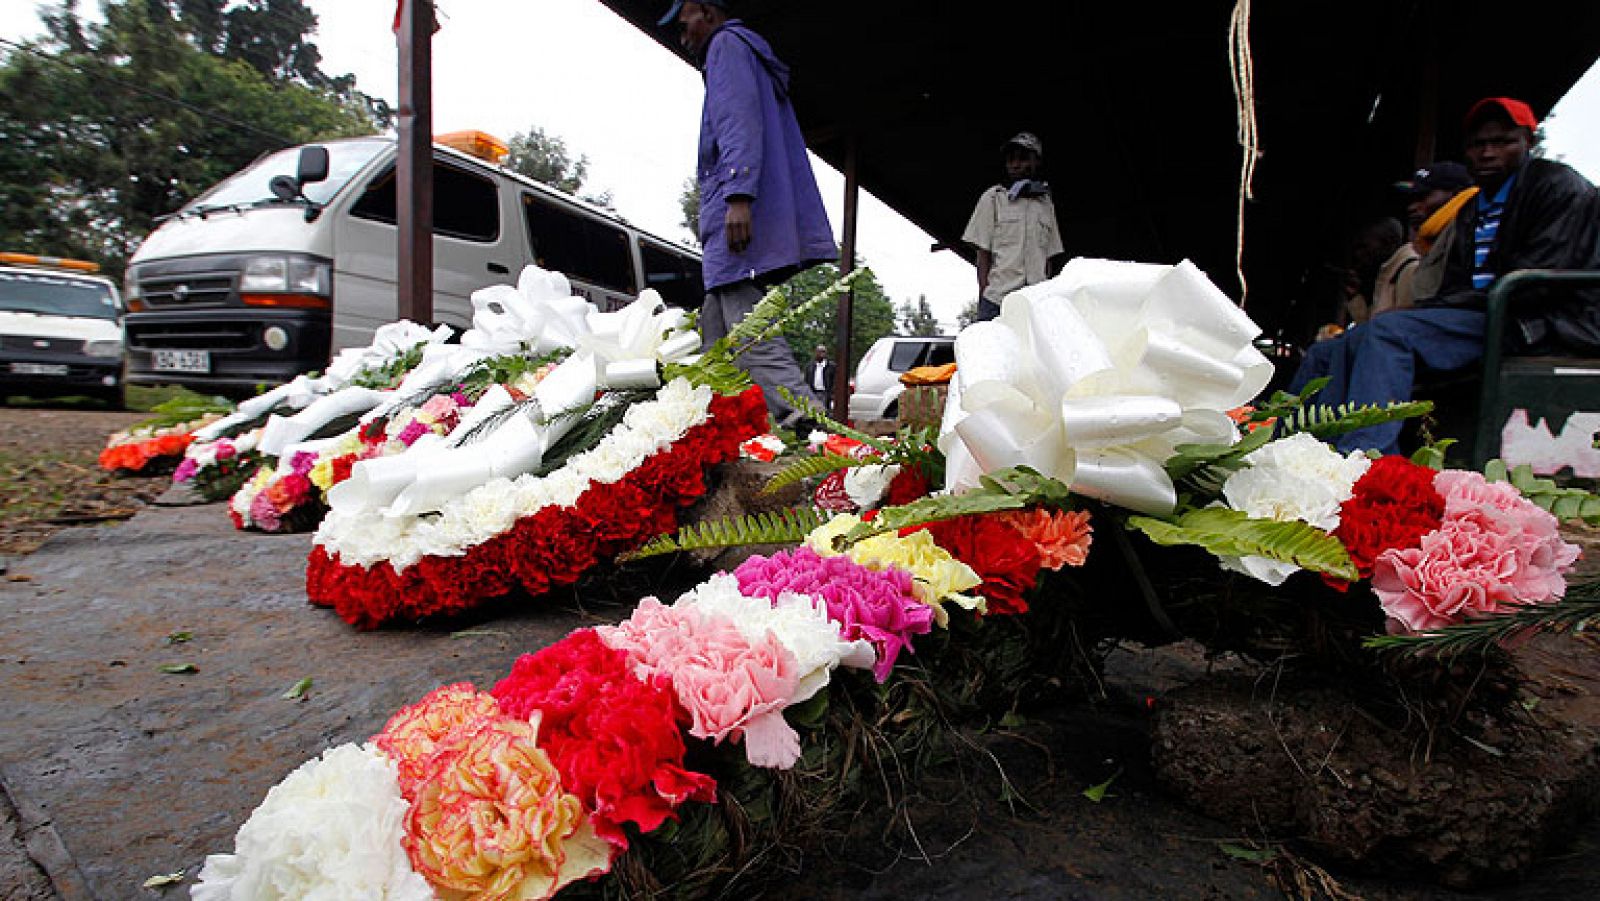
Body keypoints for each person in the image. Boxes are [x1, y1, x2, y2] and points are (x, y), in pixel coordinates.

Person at [1329, 97, 1600, 454]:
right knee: (1340, 344)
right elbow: (1456, 284)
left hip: (1542, 321)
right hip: (1487, 314)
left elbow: (1533, 284)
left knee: (1387, 332)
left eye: (1503, 142)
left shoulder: (1557, 187)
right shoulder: (1474, 206)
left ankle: (1365, 459)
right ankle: (1309, 447)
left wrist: (1429, 311)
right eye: (1478, 144)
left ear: (1528, 143)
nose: (1488, 152)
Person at [665, 0, 838, 426]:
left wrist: (739, 196)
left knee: (748, 330)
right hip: (739, 213)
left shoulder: (727, 46)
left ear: (705, 10)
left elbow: (737, 122)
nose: (682, 35)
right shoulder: (743, 53)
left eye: (683, 23)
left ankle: (806, 423)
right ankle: (714, 428)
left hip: (738, 211)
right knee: (716, 338)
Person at [961, 132, 1065, 322]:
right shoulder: (994, 198)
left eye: (1023, 158)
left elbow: (1049, 259)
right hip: (999, 300)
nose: (1016, 165)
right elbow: (983, 254)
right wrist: (986, 293)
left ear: (1037, 161)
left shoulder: (1045, 205)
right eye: (1011, 159)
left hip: (1035, 302)